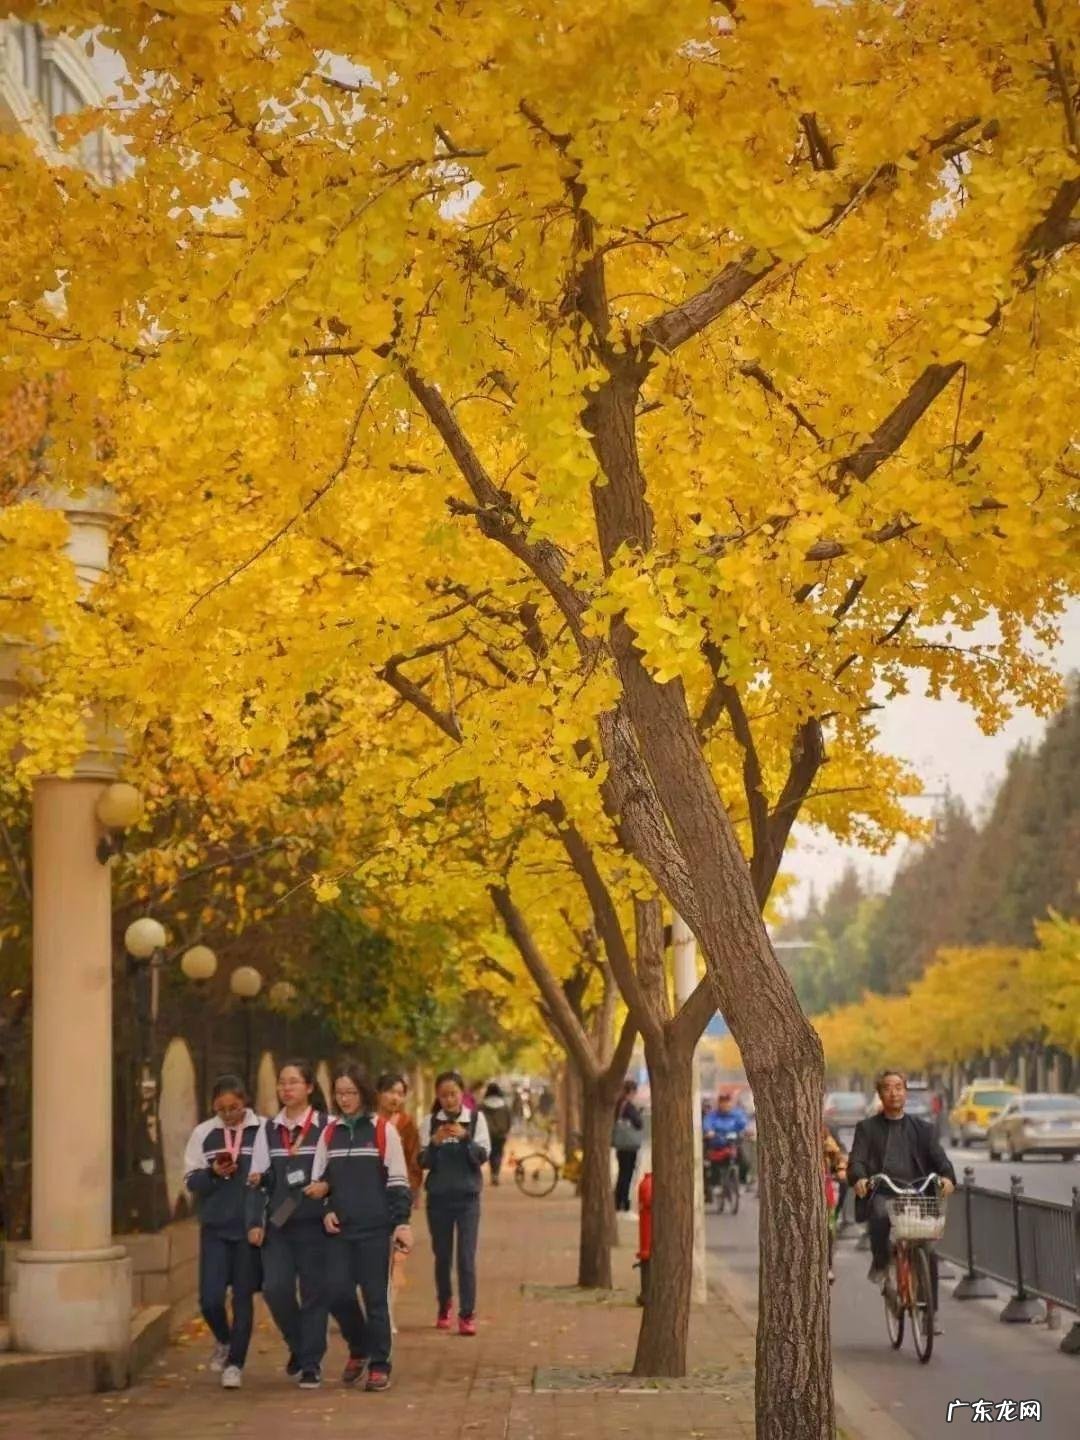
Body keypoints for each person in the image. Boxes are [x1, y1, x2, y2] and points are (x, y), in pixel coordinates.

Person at [312, 1060, 413, 1392]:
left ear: (364, 1093)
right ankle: (359, 1346)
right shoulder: (330, 1132)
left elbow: (398, 1181)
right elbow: (319, 1180)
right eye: (339, 1093)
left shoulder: (383, 1130)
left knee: (374, 1298)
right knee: (337, 1292)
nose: (344, 1099)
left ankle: (380, 1363)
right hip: (339, 1230)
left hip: (374, 1229)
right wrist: (325, 1208)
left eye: (351, 1092)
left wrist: (401, 1223)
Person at [246, 1059, 333, 1390]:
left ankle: (310, 1362)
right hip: (280, 1222)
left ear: (309, 1087)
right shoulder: (268, 1131)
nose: (286, 1088)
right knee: (275, 1288)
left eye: (293, 1082)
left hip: (315, 1221)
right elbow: (256, 1180)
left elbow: (338, 1173)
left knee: (314, 1293)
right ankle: (299, 1345)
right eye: (282, 1082)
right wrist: (255, 1221)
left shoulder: (328, 1126)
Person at [848, 1070, 956, 1330]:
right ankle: (882, 1266)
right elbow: (857, 1161)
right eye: (888, 1088)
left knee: (928, 1249)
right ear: (880, 1093)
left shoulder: (923, 1130)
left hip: (916, 1193)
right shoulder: (867, 1128)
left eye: (899, 1087)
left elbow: (940, 1160)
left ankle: (930, 1316)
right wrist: (860, 1179)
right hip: (884, 1191)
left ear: (905, 1092)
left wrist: (948, 1178)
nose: (894, 1092)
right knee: (881, 1216)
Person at [183, 1075, 263, 1390]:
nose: (229, 1114)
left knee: (243, 1298)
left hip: (247, 1229)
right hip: (215, 1228)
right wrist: (212, 1174)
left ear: (246, 1101)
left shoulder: (263, 1130)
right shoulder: (203, 1133)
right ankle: (224, 1340)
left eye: (234, 1107)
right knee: (210, 1299)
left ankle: (236, 1364)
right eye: (222, 1109)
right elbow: (191, 1181)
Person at [419, 1069, 491, 1334]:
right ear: (438, 1097)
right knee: (442, 1257)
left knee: (466, 1258)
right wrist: (435, 1143)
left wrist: (465, 1138)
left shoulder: (475, 1119)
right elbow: (423, 1162)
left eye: (453, 1094)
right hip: (438, 1200)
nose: (449, 1100)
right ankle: (444, 1305)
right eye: (444, 1095)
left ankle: (467, 1314)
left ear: (463, 1094)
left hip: (468, 1199)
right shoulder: (429, 1122)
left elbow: (482, 1157)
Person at [376, 1072, 423, 1331]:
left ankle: (387, 1313)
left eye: (400, 1093)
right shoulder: (368, 1122)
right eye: (390, 1091)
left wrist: (411, 1190)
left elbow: (414, 1162)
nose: (395, 1097)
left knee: (396, 1256)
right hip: (370, 1197)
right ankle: (374, 1309)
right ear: (378, 1093)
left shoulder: (407, 1124)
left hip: (397, 1199)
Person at [612, 1079, 644, 1213]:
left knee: (622, 1173)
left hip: (621, 1145)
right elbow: (638, 1123)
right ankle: (623, 1201)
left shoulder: (618, 1104)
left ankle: (618, 1200)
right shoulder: (628, 1106)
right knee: (627, 1174)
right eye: (634, 1091)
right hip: (629, 1146)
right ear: (630, 1092)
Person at [822, 1121, 848, 1283]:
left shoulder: (826, 1133)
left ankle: (828, 1267)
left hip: (824, 1186)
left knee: (828, 1226)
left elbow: (839, 1158)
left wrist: (841, 1170)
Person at [703, 1091, 748, 1183]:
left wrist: (747, 1131)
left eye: (728, 1101)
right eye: (723, 1102)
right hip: (717, 1145)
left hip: (733, 1144)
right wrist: (709, 1131)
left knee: (745, 1163)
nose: (725, 1104)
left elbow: (743, 1124)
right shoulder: (712, 1115)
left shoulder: (737, 1114)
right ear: (719, 1103)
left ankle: (742, 1182)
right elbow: (707, 1124)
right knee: (712, 1169)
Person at [480, 1082, 512, 1185]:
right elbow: (509, 1120)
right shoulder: (504, 1106)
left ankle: (493, 1173)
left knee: (491, 1153)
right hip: (501, 1134)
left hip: (488, 1133)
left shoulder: (482, 1106)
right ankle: (496, 1174)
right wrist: (506, 1130)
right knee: (498, 1153)